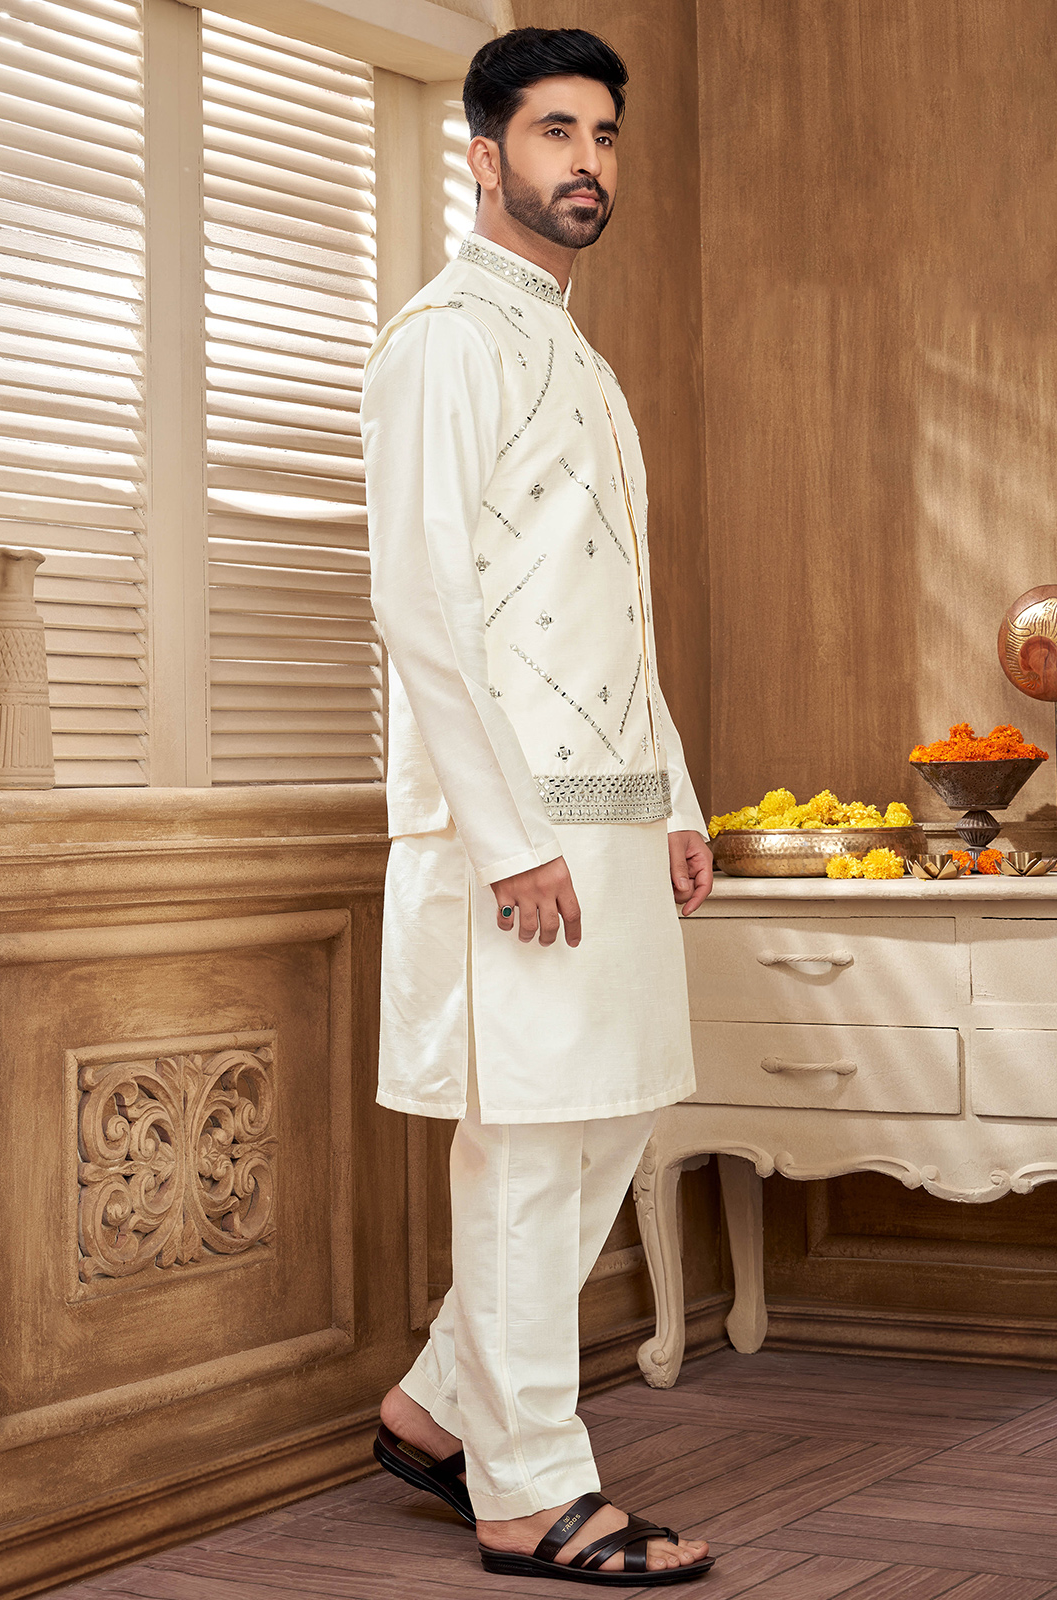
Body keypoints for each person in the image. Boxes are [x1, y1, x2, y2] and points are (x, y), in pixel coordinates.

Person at [361, 26, 714, 1586]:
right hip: (518, 835)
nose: (588, 160)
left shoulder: (572, 348)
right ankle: (524, 1491)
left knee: (613, 1115)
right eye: (556, 131)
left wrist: (676, 797)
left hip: (615, 818)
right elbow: (421, 606)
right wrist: (509, 842)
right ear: (485, 154)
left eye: (605, 134)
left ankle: (442, 1410)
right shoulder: (445, 341)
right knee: (523, 1153)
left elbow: (612, 612)